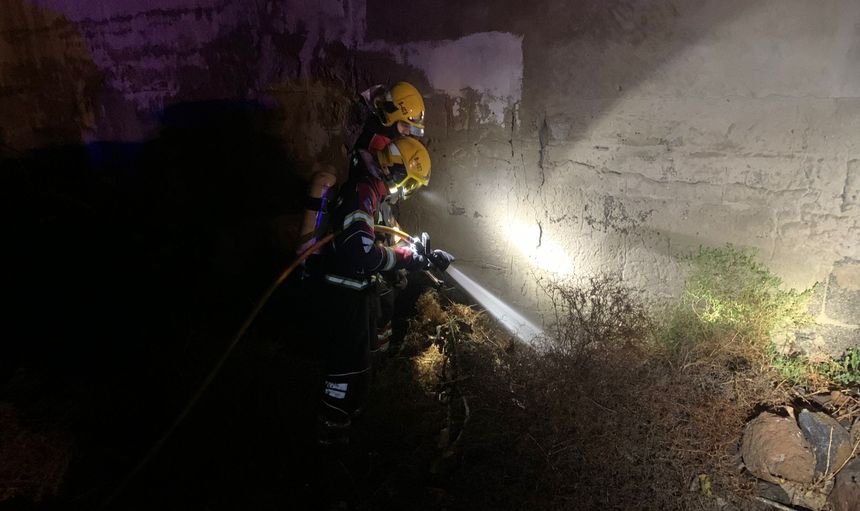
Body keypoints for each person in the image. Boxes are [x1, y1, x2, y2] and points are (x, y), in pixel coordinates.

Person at [315, 136, 453, 447]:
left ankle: (350, 433)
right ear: (398, 173)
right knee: (345, 376)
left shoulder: (374, 194)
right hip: (343, 299)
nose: (406, 192)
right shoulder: (361, 194)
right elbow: (362, 254)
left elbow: (385, 239)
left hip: (357, 296)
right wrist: (406, 258)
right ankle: (330, 441)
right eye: (409, 185)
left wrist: (421, 253)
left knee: (361, 368)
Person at [352, 81, 427, 353]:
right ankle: (377, 361)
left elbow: (384, 208)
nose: (408, 135)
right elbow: (374, 208)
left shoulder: (380, 141)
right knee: (381, 300)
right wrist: (401, 255)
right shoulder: (377, 149)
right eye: (405, 126)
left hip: (374, 237)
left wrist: (405, 240)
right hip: (366, 256)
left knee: (386, 297)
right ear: (392, 116)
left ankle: (379, 358)